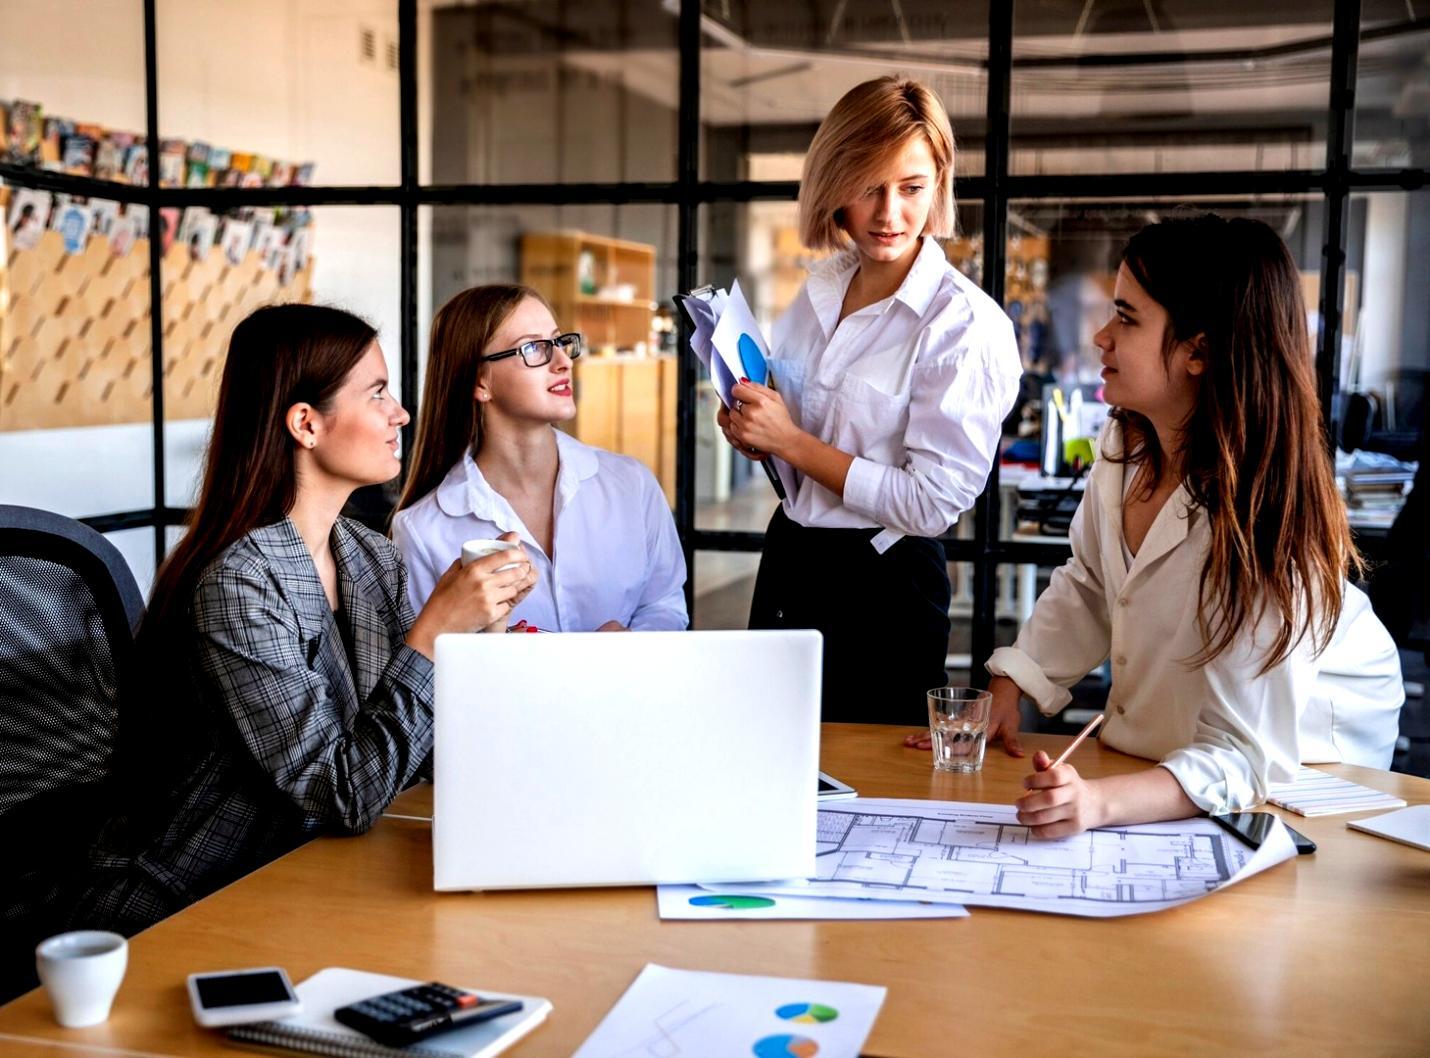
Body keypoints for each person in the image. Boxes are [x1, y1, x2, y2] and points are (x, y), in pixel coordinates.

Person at [906, 213, 1403, 837]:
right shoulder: (1127, 442)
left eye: (1127, 318)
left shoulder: (1264, 515)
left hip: (1309, 749)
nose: (1101, 337)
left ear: (1199, 350)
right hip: (1183, 737)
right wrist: (1012, 685)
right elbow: (1091, 582)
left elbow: (1248, 756)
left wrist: (1099, 804)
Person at [71, 304, 536, 934]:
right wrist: (432, 635)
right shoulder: (240, 582)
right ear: (306, 425)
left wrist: (484, 631)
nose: (400, 413)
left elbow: (408, 759)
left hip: (310, 872)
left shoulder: (368, 556)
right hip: (197, 901)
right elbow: (340, 793)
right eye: (377, 393)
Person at [721, 76, 1021, 722]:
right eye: (867, 187)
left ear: (938, 183)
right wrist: (759, 433)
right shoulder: (819, 292)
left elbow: (932, 503)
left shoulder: (963, 325)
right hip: (791, 559)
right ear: (835, 186)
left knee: (874, 792)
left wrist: (792, 442)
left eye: (911, 188)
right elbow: (801, 448)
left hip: (884, 587)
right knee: (767, 758)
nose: (889, 214)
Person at [392, 284, 687, 632]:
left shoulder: (632, 484)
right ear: (480, 382)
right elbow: (429, 667)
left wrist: (626, 646)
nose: (563, 362)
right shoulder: (421, 531)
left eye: (560, 342)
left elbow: (664, 604)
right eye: (534, 348)